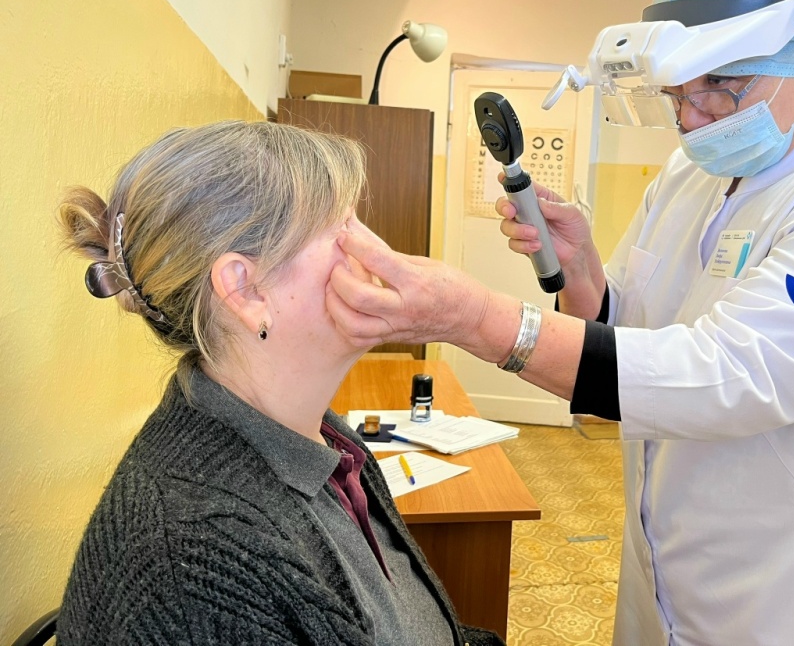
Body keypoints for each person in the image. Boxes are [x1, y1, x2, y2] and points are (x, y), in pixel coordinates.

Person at [326, 0, 794, 645]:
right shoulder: (691, 174)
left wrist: (474, 319)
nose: (692, 117)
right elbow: (632, 330)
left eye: (719, 83)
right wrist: (584, 268)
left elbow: (728, 376)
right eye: (677, 91)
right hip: (672, 563)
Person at [56, 121, 503, 646]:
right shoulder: (190, 570)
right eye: (342, 227)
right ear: (245, 291)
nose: (374, 248)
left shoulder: (324, 439)